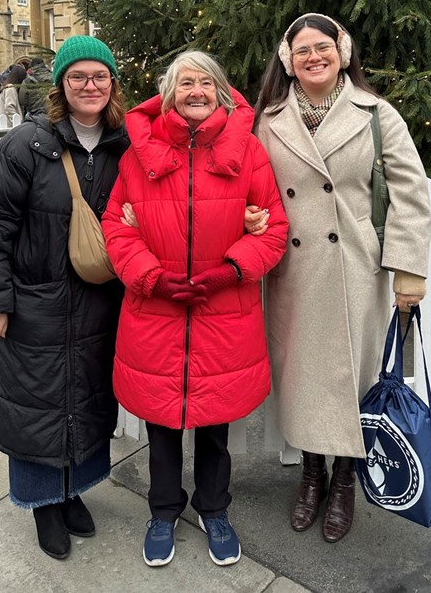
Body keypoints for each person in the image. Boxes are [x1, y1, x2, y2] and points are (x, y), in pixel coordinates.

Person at [102, 50, 288, 569]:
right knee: (161, 426)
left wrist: (230, 270)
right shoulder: (139, 155)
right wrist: (151, 277)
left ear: (222, 91)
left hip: (223, 312)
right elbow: (116, 226)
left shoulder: (247, 151)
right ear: (169, 93)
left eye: (206, 83)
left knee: (214, 426)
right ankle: (163, 510)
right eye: (185, 83)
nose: (196, 92)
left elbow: (273, 227)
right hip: (155, 312)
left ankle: (214, 508)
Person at [253, 13, 431, 543]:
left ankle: (347, 480)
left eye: (322, 47)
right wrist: (249, 217)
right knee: (303, 374)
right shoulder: (269, 119)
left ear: (343, 51)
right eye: (302, 49)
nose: (313, 56)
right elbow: (253, 186)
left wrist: (409, 271)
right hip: (295, 267)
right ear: (288, 59)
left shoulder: (378, 114)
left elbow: (411, 193)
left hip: (356, 266)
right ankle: (312, 474)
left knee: (355, 375)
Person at [0, 35, 130, 561]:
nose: (90, 86)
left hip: (98, 304)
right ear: (61, 84)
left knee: (85, 397)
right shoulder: (26, 146)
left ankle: (73, 490)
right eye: (78, 77)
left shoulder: (121, 146)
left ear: (112, 84)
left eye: (99, 76)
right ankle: (43, 502)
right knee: (37, 402)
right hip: (35, 302)